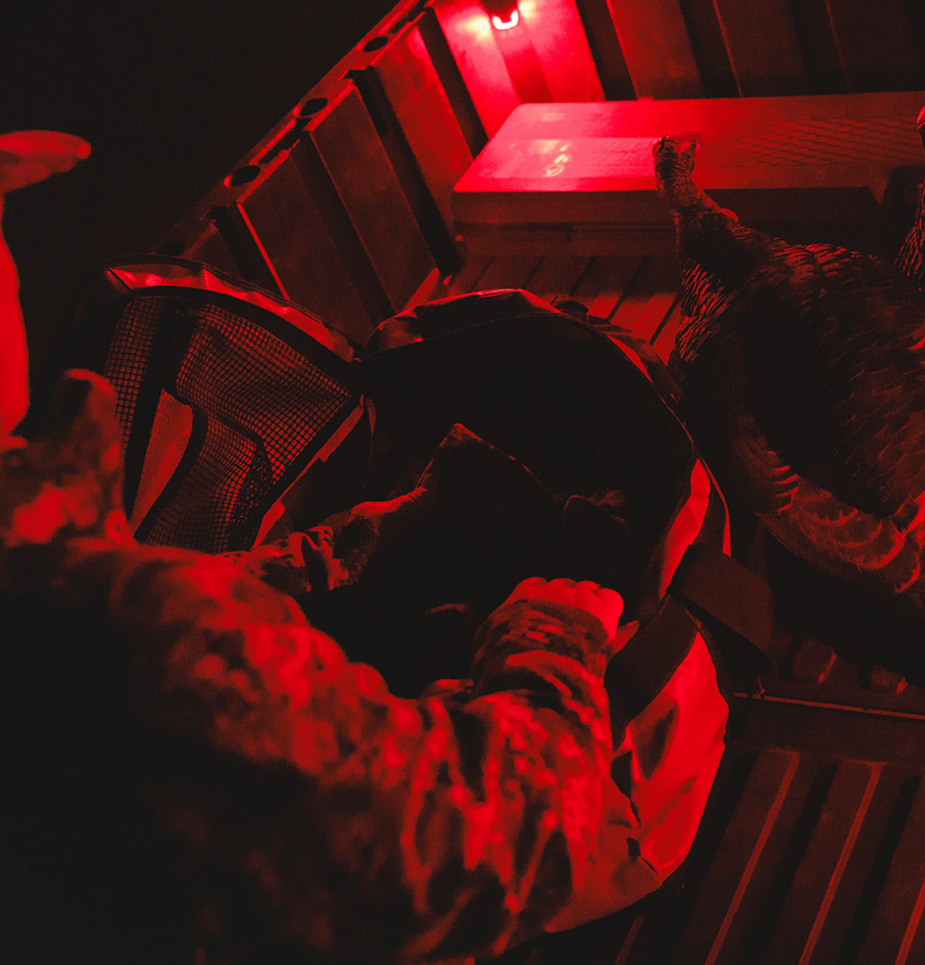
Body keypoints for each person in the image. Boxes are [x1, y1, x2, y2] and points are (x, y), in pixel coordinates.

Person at [0, 131, 625, 964]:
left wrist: (339, 547)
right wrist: (557, 629)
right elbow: (522, 836)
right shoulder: (114, 636)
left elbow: (170, 596)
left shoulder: (64, 581)